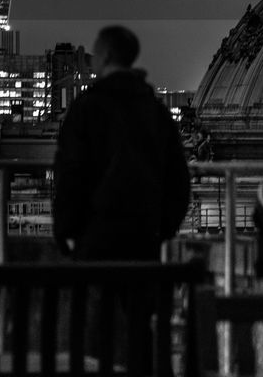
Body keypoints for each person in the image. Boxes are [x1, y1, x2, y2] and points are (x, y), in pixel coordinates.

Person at [53, 26, 191, 260]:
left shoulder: (85, 108)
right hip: (144, 238)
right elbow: (178, 179)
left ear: (105, 56)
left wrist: (65, 231)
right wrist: (164, 229)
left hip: (94, 238)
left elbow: (69, 175)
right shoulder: (156, 111)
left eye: (95, 53)